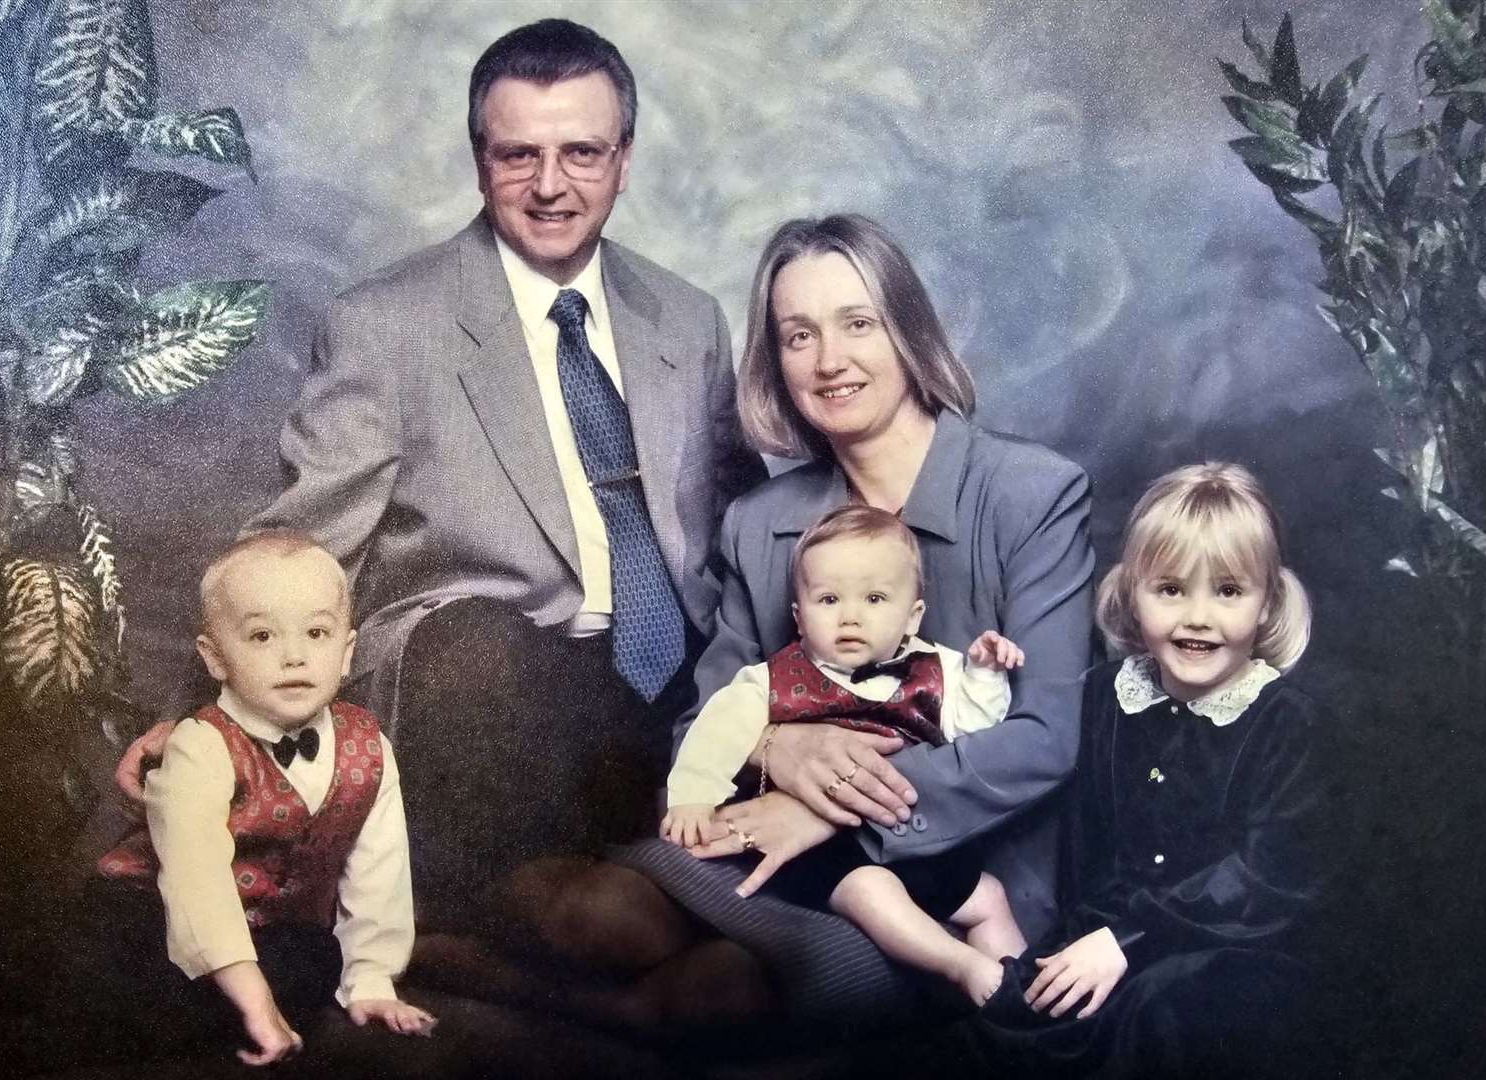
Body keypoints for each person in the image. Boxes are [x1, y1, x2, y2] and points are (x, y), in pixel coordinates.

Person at [115, 18, 764, 931]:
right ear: (477, 159)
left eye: (580, 152)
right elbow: (299, 543)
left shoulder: (686, 318)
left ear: (624, 159)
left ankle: (586, 902)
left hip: (672, 681)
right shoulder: (387, 323)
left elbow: (745, 528)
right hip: (495, 687)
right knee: (479, 654)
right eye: (517, 156)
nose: (549, 186)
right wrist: (196, 719)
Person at [568, 212, 1094, 1030]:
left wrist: (828, 806)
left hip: (954, 883)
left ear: (908, 331)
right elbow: (707, 719)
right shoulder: (760, 520)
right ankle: (419, 985)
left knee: (719, 992)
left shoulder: (1032, 494)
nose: (829, 361)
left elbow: (1043, 737)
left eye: (858, 323)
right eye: (797, 335)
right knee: (605, 915)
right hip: (774, 849)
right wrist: (777, 742)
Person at [969, 462, 1329, 1078]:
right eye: (1170, 590)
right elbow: (1058, 810)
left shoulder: (1287, 724)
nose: (1197, 616)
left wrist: (1127, 941)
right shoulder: (1105, 696)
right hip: (1099, 938)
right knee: (999, 1026)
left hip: (1229, 953)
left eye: (1228, 591)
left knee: (1160, 1017)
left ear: (1267, 602)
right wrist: (982, 678)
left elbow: (1267, 881)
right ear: (1133, 595)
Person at [662, 504, 1030, 1006]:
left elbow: (979, 729)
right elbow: (716, 731)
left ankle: (1025, 1009)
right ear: (798, 614)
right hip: (814, 850)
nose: (850, 616)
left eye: (875, 598)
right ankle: (961, 964)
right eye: (829, 599)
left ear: (912, 615)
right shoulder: (773, 678)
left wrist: (986, 674)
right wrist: (693, 798)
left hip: (902, 836)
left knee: (989, 897)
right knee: (870, 888)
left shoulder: (939, 668)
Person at [97, 531, 435, 1066]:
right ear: (214, 658)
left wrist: (372, 979)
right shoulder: (201, 744)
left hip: (276, 929)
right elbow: (196, 883)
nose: (295, 656)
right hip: (163, 914)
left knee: (312, 962)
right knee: (134, 976)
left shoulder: (369, 745)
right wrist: (255, 1001)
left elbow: (378, 874)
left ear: (347, 650)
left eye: (317, 632)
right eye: (261, 637)